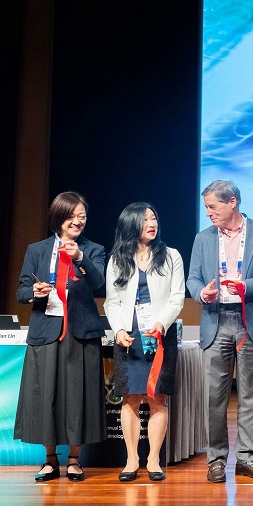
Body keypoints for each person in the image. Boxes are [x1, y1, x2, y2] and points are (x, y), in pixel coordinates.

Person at [187, 180, 253, 483]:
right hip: (216, 321)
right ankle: (216, 459)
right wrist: (202, 293)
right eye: (206, 208)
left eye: (212, 207)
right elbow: (192, 279)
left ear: (232, 202)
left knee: (250, 394)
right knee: (214, 395)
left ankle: (247, 458)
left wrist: (246, 286)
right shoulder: (203, 239)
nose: (208, 213)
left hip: (249, 319)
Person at [14, 191, 107, 483]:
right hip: (47, 331)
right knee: (47, 396)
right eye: (72, 215)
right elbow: (21, 291)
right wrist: (34, 293)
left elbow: (98, 281)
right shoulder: (37, 250)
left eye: (82, 216)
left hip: (80, 332)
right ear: (59, 217)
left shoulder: (92, 249)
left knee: (79, 396)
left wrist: (79, 257)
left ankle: (76, 459)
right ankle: (50, 459)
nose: (78, 221)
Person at [105, 202, 185, 483]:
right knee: (130, 398)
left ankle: (153, 459)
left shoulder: (171, 255)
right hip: (130, 336)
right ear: (131, 224)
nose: (152, 223)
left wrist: (162, 322)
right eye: (145, 219)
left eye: (154, 218)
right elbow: (112, 302)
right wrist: (117, 330)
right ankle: (131, 459)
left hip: (160, 333)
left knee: (157, 397)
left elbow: (177, 297)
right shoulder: (117, 259)